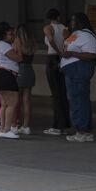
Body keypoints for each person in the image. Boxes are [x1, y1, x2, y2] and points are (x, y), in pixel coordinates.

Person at [59, 12, 96, 142]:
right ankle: (84, 130)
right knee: (78, 99)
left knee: (78, 100)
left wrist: (72, 53)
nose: (71, 23)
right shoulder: (76, 34)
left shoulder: (87, 35)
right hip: (72, 71)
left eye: (73, 20)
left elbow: (92, 55)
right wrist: (65, 39)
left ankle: (81, 130)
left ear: (80, 22)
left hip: (79, 70)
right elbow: (66, 49)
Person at [43, 8, 71, 136]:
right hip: (63, 58)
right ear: (58, 17)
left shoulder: (48, 28)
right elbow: (68, 41)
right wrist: (63, 52)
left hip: (52, 57)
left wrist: (57, 51)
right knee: (62, 91)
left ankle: (57, 125)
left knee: (55, 93)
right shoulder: (65, 28)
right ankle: (65, 123)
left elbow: (50, 39)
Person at [0, 22, 21, 139]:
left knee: (4, 104)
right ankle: (7, 129)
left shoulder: (1, 44)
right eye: (10, 34)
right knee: (12, 103)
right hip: (5, 75)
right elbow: (19, 58)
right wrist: (18, 45)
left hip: (1, 74)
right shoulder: (5, 45)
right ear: (3, 35)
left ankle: (3, 129)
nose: (13, 36)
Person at [12, 25, 36, 135]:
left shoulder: (17, 41)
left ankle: (14, 124)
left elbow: (17, 55)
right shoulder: (31, 41)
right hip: (30, 69)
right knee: (27, 100)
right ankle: (26, 126)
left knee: (15, 100)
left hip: (20, 69)